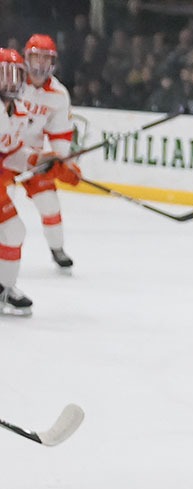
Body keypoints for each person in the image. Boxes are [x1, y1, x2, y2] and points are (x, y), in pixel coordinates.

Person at [11, 34, 77, 270]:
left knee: (49, 203)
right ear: (26, 58)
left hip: (34, 159)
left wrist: (62, 162)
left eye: (44, 59)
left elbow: (60, 135)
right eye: (35, 57)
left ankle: (57, 249)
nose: (39, 64)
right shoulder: (11, 81)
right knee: (4, 205)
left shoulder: (59, 95)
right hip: (4, 155)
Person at [1, 48, 48, 314]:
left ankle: (4, 289)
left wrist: (38, 160)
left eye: (14, 75)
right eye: (3, 75)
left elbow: (11, 153)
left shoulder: (18, 111)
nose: (9, 82)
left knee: (13, 231)